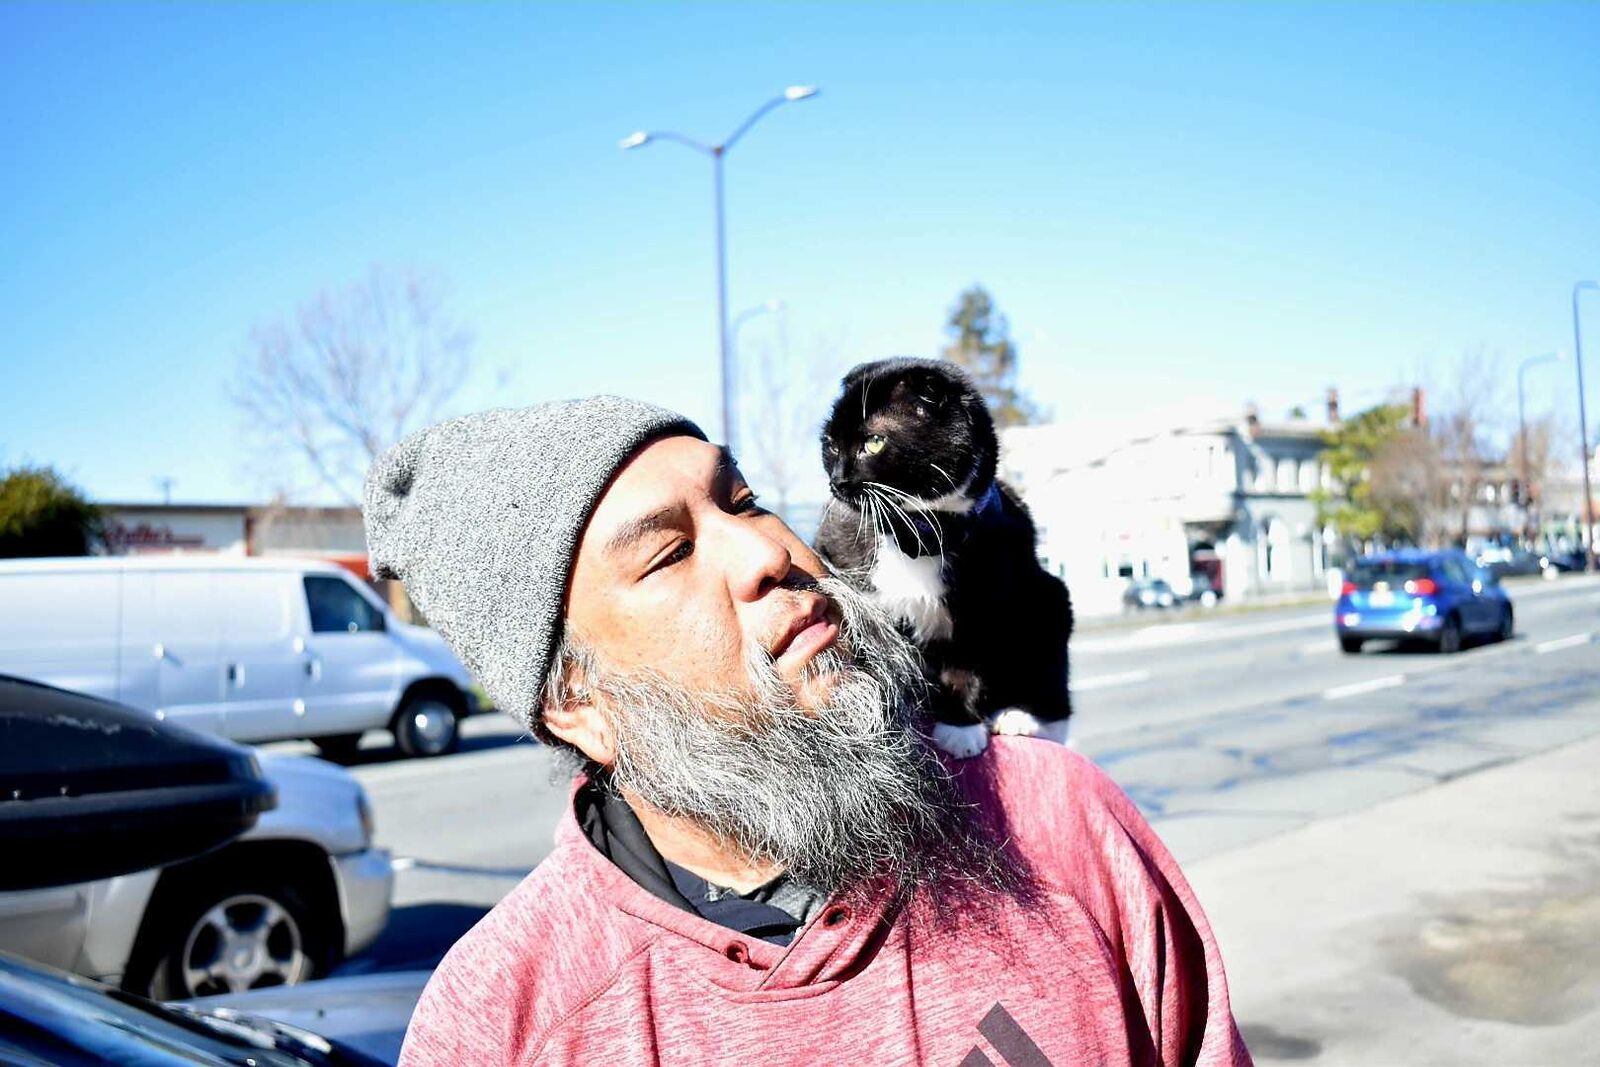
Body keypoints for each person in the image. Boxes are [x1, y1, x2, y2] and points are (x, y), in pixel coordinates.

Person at [363, 397, 1252, 1066]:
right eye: (669, 553)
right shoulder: (506, 1020)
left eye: (743, 499)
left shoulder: (1052, 820)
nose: (768, 552)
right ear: (577, 705)